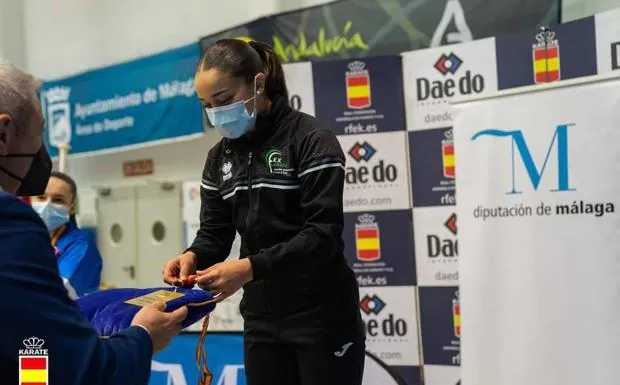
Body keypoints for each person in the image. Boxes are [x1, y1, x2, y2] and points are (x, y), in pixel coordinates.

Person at [163, 39, 365, 385]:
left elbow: (323, 237)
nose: (216, 113)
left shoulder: (311, 139)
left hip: (322, 317)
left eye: (224, 100)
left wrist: (249, 268)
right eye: (207, 105)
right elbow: (215, 232)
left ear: (257, 84)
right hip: (261, 320)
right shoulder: (218, 158)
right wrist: (193, 256)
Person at [0, 60, 187, 384]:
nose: (40, 151)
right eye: (39, 132)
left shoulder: (79, 244)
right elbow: (71, 368)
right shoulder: (12, 224)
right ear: (3, 135)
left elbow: (27, 356)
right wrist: (142, 336)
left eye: (58, 199)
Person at [31, 171, 102, 298]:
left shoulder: (80, 245)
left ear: (71, 207)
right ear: (31, 200)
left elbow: (56, 292)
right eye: (41, 197)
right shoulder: (25, 237)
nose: (47, 205)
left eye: (58, 200)